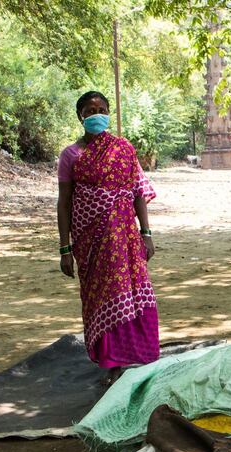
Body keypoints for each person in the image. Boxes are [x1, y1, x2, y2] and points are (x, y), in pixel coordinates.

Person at [57, 91, 160, 385]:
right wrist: (65, 248)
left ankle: (140, 356)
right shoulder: (70, 155)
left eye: (102, 109)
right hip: (90, 240)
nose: (97, 114)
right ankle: (112, 362)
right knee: (102, 296)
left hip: (126, 235)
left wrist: (147, 233)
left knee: (136, 292)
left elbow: (138, 193)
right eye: (90, 110)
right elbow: (64, 203)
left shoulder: (124, 149)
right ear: (81, 116)